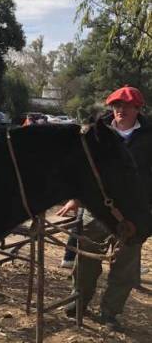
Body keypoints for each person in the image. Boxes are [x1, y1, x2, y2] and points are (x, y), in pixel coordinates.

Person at [57, 85, 152, 331]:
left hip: (132, 213)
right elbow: (82, 170)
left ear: (137, 109)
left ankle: (109, 313)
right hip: (96, 209)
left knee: (124, 267)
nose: (120, 110)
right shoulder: (96, 133)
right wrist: (75, 198)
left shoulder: (150, 135)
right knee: (85, 259)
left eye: (126, 106)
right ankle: (78, 302)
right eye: (116, 106)